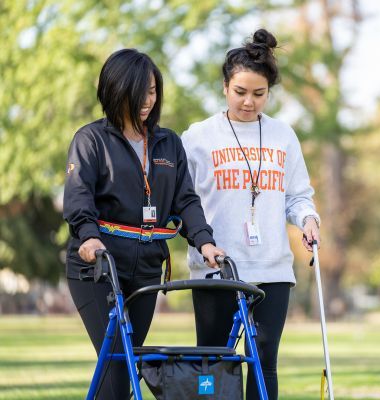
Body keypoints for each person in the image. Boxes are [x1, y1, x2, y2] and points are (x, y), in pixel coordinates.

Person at [63, 48, 224, 399]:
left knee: (125, 360)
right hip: (98, 267)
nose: (147, 100)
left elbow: (186, 200)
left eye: (152, 91)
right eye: (140, 92)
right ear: (116, 89)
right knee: (119, 362)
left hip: (147, 266)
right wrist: (89, 237)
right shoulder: (91, 140)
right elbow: (78, 198)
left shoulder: (169, 143)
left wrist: (204, 241)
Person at [181, 28, 321, 399]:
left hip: (271, 270)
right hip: (215, 269)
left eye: (258, 94)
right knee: (213, 362)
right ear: (225, 86)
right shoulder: (197, 137)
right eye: (240, 92)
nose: (248, 102)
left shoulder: (283, 136)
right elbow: (183, 201)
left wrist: (308, 219)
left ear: (269, 92)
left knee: (263, 361)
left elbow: (298, 196)